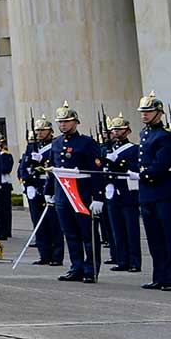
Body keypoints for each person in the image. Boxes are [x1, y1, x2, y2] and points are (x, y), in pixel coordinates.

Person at [47, 104, 105, 283]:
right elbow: (52, 168)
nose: (63, 125)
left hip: (82, 193)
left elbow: (96, 170)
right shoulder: (56, 142)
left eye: (66, 121)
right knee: (70, 233)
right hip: (63, 194)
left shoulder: (87, 143)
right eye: (60, 122)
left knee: (88, 234)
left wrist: (98, 196)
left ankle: (91, 269)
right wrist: (49, 191)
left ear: (76, 122)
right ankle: (76, 267)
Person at [135, 93, 171, 291]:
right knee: (155, 238)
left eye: (149, 111)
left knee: (170, 237)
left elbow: (162, 164)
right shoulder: (145, 134)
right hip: (148, 192)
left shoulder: (167, 136)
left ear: (159, 113)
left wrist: (143, 174)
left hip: (165, 191)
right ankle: (160, 276)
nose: (145, 115)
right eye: (143, 112)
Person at [19, 119, 63, 266]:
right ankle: (44, 255)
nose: (39, 133)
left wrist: (42, 158)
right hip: (35, 186)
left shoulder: (55, 145)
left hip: (49, 186)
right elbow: (23, 167)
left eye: (42, 130)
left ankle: (56, 256)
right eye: (37, 130)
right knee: (38, 222)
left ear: (50, 131)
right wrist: (27, 184)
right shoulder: (31, 146)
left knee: (54, 223)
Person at [103, 115, 143, 273]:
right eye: (114, 130)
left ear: (127, 131)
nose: (116, 132)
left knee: (131, 228)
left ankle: (134, 262)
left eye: (119, 129)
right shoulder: (107, 149)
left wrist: (118, 162)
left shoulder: (134, 149)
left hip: (127, 190)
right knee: (117, 228)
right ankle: (121, 260)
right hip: (112, 190)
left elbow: (136, 167)